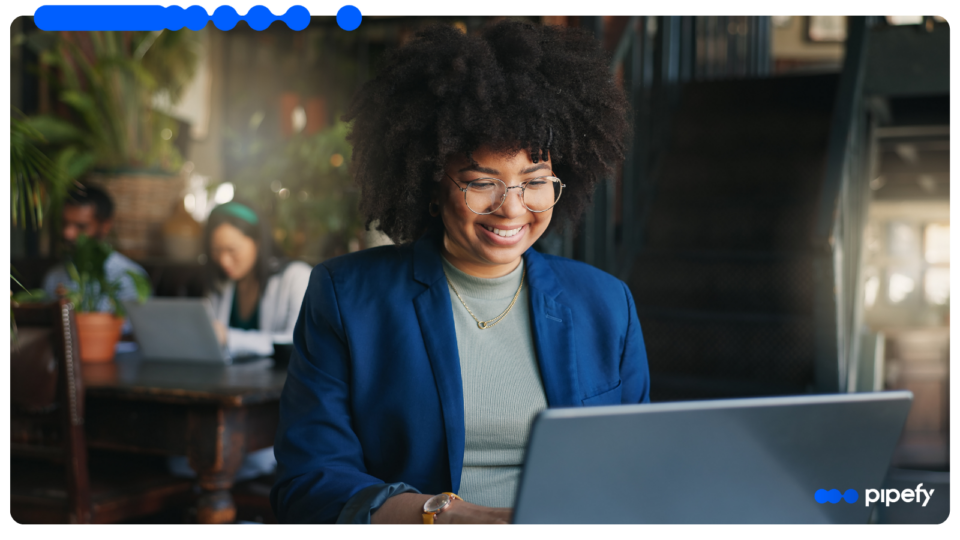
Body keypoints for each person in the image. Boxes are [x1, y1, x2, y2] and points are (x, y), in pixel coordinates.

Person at [271, 21, 650, 524]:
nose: (512, 208)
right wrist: (443, 516)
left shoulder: (606, 305)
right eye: (482, 183)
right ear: (430, 183)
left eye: (535, 181)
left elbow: (636, 469)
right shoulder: (347, 296)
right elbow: (309, 481)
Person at [168, 200, 312, 482]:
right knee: (182, 461)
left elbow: (294, 342)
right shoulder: (221, 284)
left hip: (278, 409)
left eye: (232, 250)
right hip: (229, 405)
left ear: (258, 241)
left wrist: (229, 337)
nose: (224, 260)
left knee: (234, 460)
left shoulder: (296, 278)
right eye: (216, 252)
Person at [42, 185, 148, 315]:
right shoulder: (54, 276)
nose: (67, 233)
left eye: (81, 226)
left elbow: (134, 329)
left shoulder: (127, 276)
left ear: (105, 226)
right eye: (64, 224)